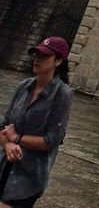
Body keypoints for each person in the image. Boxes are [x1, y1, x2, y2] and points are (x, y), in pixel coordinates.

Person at [0, 36, 73, 207]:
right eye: (36, 55)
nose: (37, 60)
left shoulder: (63, 94)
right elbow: (3, 126)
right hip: (4, 165)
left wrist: (17, 138)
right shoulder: (23, 86)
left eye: (44, 56)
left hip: (29, 175)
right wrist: (8, 145)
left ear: (58, 61)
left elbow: (52, 140)